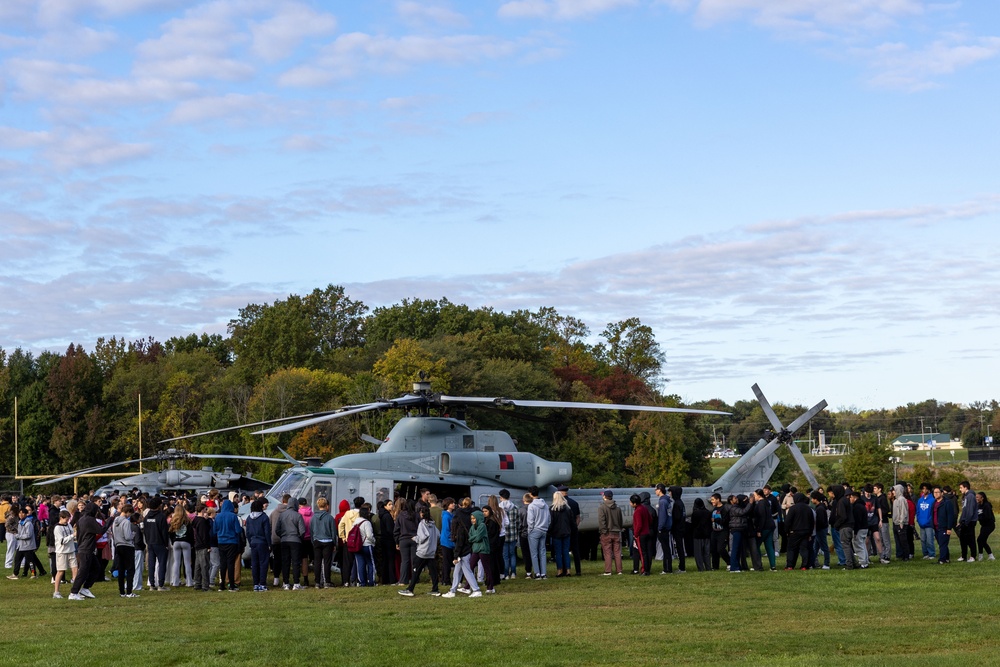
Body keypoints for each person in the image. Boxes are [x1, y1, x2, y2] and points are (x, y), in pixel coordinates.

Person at [69, 502, 112, 600]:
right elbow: (101, 531)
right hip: (86, 549)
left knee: (96, 568)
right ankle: (74, 592)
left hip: (84, 547)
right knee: (83, 571)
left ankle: (85, 588)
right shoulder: (90, 520)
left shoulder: (82, 519)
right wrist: (110, 520)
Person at [400, 507, 441, 597]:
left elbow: (422, 537)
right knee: (433, 571)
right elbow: (438, 535)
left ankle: (410, 589)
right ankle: (435, 589)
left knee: (416, 570)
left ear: (421, 514)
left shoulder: (422, 524)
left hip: (422, 552)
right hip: (431, 551)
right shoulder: (433, 524)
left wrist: (415, 538)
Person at [276, 497, 307, 590]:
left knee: (285, 562)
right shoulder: (298, 516)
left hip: (284, 540)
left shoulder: (281, 515)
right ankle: (296, 583)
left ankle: (286, 583)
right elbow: (302, 531)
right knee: (295, 562)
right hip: (295, 540)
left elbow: (277, 530)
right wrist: (299, 537)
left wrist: (282, 536)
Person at [213, 498, 243, 591]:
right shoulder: (233, 516)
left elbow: (214, 530)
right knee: (231, 563)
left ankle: (222, 584)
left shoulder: (218, 516)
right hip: (232, 541)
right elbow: (238, 530)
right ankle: (232, 584)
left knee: (223, 563)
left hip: (221, 541)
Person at [142, 496, 170, 590]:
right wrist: (166, 544)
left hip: (150, 542)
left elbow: (145, 530)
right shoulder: (161, 516)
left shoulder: (146, 517)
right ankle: (161, 585)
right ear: (159, 506)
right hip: (160, 542)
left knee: (151, 564)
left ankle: (152, 584)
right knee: (162, 564)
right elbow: (164, 532)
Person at [245, 498, 271, 592]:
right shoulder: (264, 517)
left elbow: (247, 532)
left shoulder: (249, 518)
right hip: (262, 542)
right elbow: (267, 532)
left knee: (254, 564)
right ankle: (263, 583)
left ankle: (256, 584)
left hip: (253, 542)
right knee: (263, 563)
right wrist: (269, 543)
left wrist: (250, 541)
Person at [783, 493, 814, 570]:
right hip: (806, 532)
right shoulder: (808, 508)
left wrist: (786, 531)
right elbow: (812, 521)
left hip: (794, 531)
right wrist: (810, 532)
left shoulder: (793, 508)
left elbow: (788, 521)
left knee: (791, 549)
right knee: (804, 549)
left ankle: (790, 565)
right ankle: (804, 565)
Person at [112, 504, 138, 597]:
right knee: (130, 569)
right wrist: (133, 535)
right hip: (127, 546)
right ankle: (129, 591)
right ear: (127, 512)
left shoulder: (115, 521)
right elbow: (127, 537)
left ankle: (122, 592)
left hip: (118, 545)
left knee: (121, 569)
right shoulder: (126, 522)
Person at [310, 497, 336, 588]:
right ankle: (326, 581)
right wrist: (334, 543)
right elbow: (333, 531)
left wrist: (313, 540)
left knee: (317, 562)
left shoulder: (313, 518)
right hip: (328, 541)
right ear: (326, 506)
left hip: (317, 540)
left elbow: (311, 530)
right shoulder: (329, 517)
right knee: (327, 562)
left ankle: (317, 582)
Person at [467, 510, 494, 593]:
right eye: (471, 518)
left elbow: (478, 537)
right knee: (470, 567)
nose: (472, 520)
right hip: (475, 549)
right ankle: (468, 586)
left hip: (483, 549)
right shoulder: (472, 527)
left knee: (487, 568)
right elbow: (470, 537)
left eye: (474, 518)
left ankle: (490, 587)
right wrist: (473, 538)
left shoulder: (482, 526)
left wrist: (472, 538)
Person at [526, 487, 550, 580]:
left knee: (534, 553)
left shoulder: (531, 506)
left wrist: (530, 530)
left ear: (531, 494)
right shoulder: (545, 505)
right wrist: (546, 527)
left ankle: (537, 573)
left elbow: (530, 520)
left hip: (535, 530)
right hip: (544, 529)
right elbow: (549, 518)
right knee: (543, 552)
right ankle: (544, 573)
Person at [597, 490, 623, 575]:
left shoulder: (602, 507)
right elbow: (620, 521)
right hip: (616, 532)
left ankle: (608, 570)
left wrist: (603, 531)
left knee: (607, 552)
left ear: (604, 496)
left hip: (607, 532)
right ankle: (619, 570)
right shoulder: (618, 508)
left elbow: (602, 521)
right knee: (617, 552)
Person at [53, 510, 77, 599]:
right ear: (61, 518)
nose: (67, 521)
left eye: (68, 519)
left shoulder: (69, 525)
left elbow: (72, 535)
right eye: (66, 520)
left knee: (75, 569)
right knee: (61, 571)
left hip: (71, 550)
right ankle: (56, 592)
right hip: (62, 552)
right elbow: (62, 541)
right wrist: (73, 535)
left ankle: (75, 591)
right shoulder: (57, 528)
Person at [168, 503, 194, 588]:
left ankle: (175, 581)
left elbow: (170, 533)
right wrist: (191, 543)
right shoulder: (187, 521)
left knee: (176, 562)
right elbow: (191, 533)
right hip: (186, 542)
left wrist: (172, 542)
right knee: (187, 563)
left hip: (176, 542)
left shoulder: (173, 520)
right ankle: (189, 582)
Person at [548, 493, 574, 578]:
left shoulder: (552, 509)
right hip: (566, 532)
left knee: (558, 553)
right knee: (566, 552)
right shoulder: (568, 508)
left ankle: (559, 570)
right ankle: (568, 570)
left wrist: (549, 531)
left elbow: (551, 522)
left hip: (556, 533)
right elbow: (571, 521)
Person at [394, 499, 418, 587]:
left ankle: (403, 580)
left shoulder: (400, 516)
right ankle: (415, 578)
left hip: (403, 539)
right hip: (414, 539)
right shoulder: (416, 515)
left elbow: (396, 530)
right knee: (414, 560)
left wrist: (397, 541)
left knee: (404, 561)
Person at [498, 490, 519, 580]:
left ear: (501, 497)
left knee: (505, 555)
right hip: (513, 534)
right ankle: (513, 572)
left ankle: (506, 574)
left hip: (503, 534)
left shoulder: (499, 509)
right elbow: (518, 522)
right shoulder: (515, 508)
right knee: (512, 554)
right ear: (509, 497)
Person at [727, 495, 751, 573]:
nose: (736, 499)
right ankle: (734, 567)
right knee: (735, 549)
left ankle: (737, 566)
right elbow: (742, 512)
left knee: (738, 549)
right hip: (736, 529)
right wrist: (750, 503)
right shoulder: (733, 508)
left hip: (739, 529)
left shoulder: (737, 507)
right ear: (731, 501)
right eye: (735, 498)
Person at [932, 485, 956, 564]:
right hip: (936, 527)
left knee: (943, 544)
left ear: (942, 493)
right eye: (934, 492)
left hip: (944, 527)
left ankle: (942, 560)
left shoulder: (947, 503)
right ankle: (946, 558)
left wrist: (949, 528)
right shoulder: (934, 503)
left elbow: (950, 516)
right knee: (942, 544)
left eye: (937, 492)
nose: (935, 494)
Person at [956, 481, 978, 563]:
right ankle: (963, 556)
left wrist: (967, 521)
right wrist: (960, 521)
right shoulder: (965, 497)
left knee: (970, 539)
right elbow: (964, 510)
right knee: (962, 539)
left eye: (961, 487)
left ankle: (973, 556)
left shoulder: (971, 496)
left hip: (970, 521)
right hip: (964, 521)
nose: (960, 489)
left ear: (966, 487)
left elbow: (970, 511)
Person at [654, 484, 673, 574]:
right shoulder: (667, 500)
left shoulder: (662, 502)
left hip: (663, 528)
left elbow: (662, 516)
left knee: (665, 549)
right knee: (667, 548)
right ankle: (668, 567)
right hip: (668, 527)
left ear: (660, 490)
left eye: (656, 489)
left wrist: (659, 528)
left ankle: (667, 568)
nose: (655, 491)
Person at [709, 493, 730, 571]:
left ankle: (729, 562)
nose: (712, 501)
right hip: (714, 531)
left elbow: (725, 521)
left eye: (713, 500)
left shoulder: (724, 509)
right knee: (714, 549)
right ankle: (715, 566)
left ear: (718, 499)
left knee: (720, 549)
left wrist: (716, 520)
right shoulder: (714, 509)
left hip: (722, 531)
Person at [810, 491, 831, 569]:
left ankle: (826, 563)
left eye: (812, 499)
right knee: (815, 547)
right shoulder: (820, 507)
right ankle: (813, 563)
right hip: (820, 530)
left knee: (824, 547)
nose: (811, 500)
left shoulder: (820, 509)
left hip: (820, 530)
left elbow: (820, 521)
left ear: (816, 499)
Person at [915, 484, 936, 560]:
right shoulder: (920, 500)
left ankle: (932, 554)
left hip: (929, 523)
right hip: (921, 523)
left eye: (925, 489)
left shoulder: (932, 500)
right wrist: (918, 520)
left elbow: (933, 513)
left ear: (929, 489)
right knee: (923, 539)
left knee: (929, 540)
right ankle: (925, 553)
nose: (924, 490)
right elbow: (917, 511)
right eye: (923, 489)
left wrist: (930, 521)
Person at [690, 498, 712, 572]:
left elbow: (693, 524)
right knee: (707, 552)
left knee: (698, 553)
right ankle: (708, 567)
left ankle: (700, 568)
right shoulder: (708, 512)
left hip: (697, 535)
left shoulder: (695, 513)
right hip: (707, 534)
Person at [891, 484, 911, 562]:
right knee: (898, 540)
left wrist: (901, 522)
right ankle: (901, 554)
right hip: (896, 523)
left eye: (894, 490)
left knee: (903, 540)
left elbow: (903, 512)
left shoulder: (902, 499)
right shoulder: (895, 500)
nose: (893, 492)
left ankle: (906, 555)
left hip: (901, 523)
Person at [975, 492, 995, 561]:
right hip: (984, 525)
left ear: (982, 498)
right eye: (976, 497)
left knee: (980, 540)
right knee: (982, 540)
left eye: (978, 497)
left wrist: (979, 518)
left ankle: (983, 556)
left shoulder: (987, 505)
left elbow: (988, 517)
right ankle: (989, 555)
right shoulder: (978, 505)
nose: (976, 498)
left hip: (989, 525)